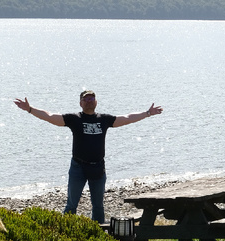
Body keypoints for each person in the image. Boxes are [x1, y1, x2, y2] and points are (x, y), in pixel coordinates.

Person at [14, 90, 163, 223]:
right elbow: (50, 117)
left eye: (92, 98)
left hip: (97, 167)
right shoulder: (75, 119)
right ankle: (65, 231)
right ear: (80, 103)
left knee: (98, 205)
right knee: (72, 204)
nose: (89, 101)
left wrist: (147, 113)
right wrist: (30, 109)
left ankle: (97, 233)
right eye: (86, 99)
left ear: (96, 102)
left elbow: (127, 118)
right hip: (78, 167)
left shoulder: (103, 119)